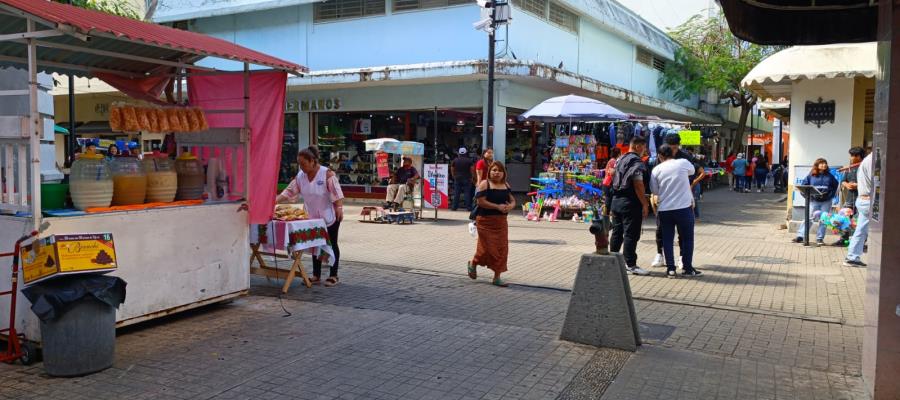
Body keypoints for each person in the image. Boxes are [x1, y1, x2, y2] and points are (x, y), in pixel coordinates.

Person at [276, 146, 345, 287]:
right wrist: (274, 200)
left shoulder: (327, 174)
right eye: (299, 164)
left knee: (331, 244)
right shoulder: (301, 176)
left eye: (304, 164)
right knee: (315, 243)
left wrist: (339, 207)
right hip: (311, 217)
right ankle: (316, 275)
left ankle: (333, 275)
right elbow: (289, 192)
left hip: (329, 216)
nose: (301, 167)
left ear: (313, 161)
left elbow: (336, 192)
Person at [651, 144, 702, 277]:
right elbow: (692, 171)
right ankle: (687, 268)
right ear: (672, 153)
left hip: (665, 209)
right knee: (687, 239)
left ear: (660, 156)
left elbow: (655, 191)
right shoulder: (683, 162)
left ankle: (671, 269)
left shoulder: (656, 170)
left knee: (667, 239)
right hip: (684, 208)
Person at [606, 137, 651, 275]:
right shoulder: (636, 163)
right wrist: (644, 203)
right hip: (630, 203)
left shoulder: (620, 159)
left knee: (617, 232)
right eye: (644, 147)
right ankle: (630, 264)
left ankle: (612, 260)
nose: (645, 151)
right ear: (637, 146)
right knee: (631, 234)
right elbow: (638, 184)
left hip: (616, 201)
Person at [468, 161, 516, 287]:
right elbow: (481, 202)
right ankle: (473, 263)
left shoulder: (506, 185)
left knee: (502, 249)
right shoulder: (485, 184)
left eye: (499, 171)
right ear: (489, 172)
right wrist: (497, 207)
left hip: (501, 222)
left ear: (503, 173)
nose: (496, 173)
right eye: (494, 170)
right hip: (485, 221)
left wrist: (510, 206)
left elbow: (512, 200)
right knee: (488, 248)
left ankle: (497, 277)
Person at [793, 158, 839, 246]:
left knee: (824, 220)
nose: (824, 165)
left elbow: (835, 188)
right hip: (813, 201)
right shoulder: (811, 176)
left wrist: (830, 196)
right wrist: (808, 197)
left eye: (825, 163)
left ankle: (820, 238)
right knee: (809, 218)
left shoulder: (830, 176)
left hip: (826, 202)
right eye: (821, 163)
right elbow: (803, 187)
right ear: (817, 165)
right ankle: (801, 236)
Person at [844, 152, 873, 267]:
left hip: (863, 200)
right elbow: (877, 182)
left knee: (861, 230)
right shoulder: (872, 161)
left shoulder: (866, 161)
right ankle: (852, 257)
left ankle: (852, 257)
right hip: (868, 200)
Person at [834, 147, 865, 246]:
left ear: (860, 156)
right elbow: (843, 181)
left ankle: (859, 243)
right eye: (851, 155)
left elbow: (871, 183)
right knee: (844, 219)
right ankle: (843, 239)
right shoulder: (849, 168)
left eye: (855, 155)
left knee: (859, 221)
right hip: (849, 199)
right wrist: (847, 185)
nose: (852, 158)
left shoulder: (865, 167)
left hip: (862, 198)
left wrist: (857, 185)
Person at [451, 147, 475, 211]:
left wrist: (453, 175)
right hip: (467, 178)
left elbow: (452, 168)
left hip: (457, 178)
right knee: (467, 193)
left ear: (459, 153)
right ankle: (468, 207)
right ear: (465, 152)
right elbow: (472, 169)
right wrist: (472, 177)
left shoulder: (455, 160)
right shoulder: (469, 160)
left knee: (456, 193)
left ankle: (454, 207)